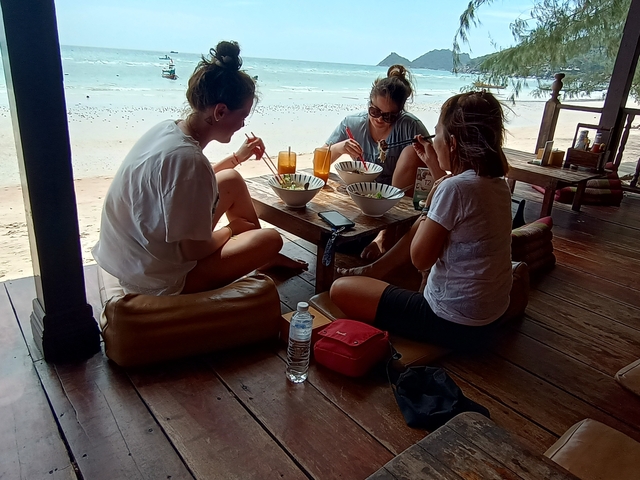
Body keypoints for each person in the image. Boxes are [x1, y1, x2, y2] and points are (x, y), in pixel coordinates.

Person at [92, 40, 306, 296]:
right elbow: (191, 250)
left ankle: (262, 259)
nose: (243, 124)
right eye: (243, 116)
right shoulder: (189, 161)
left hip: (131, 255)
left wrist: (237, 158)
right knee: (271, 240)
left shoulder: (168, 130)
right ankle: (261, 255)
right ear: (220, 111)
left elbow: (187, 185)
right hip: (156, 279)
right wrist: (231, 230)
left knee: (230, 179)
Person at [329, 91, 513, 350]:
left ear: (452, 143)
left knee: (340, 289)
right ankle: (376, 270)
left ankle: (375, 272)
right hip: (492, 316)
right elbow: (452, 203)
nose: (433, 139)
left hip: (451, 322)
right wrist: (433, 167)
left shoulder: (455, 189)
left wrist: (430, 204)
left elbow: (420, 259)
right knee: (423, 224)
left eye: (436, 132)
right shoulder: (497, 183)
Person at [324, 65, 447, 259]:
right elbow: (321, 158)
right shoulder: (353, 122)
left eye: (388, 116)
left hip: (399, 197)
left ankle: (386, 234)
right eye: (374, 111)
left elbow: (437, 166)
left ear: (400, 112)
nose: (379, 119)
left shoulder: (410, 126)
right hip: (361, 194)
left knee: (411, 153)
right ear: (369, 103)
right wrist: (339, 147)